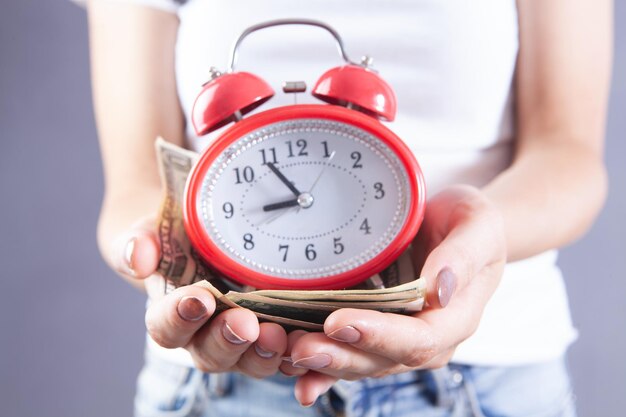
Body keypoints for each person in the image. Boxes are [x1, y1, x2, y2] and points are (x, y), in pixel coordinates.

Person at [83, 0, 612, 415]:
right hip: (216, 388)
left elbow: (569, 156)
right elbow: (132, 191)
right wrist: (159, 267)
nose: (303, 201)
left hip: (493, 374)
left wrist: (483, 237)